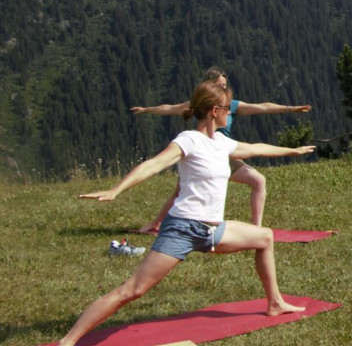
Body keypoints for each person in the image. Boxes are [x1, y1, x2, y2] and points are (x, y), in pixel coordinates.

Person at [46, 80, 316, 346]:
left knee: (264, 237)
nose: (230, 115)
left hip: (212, 230)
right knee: (132, 290)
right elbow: (154, 164)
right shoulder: (188, 140)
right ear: (214, 111)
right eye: (227, 109)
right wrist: (117, 189)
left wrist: (292, 151)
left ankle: (274, 302)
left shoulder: (221, 142)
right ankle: (64, 345)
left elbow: (255, 148)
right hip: (183, 229)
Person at [131, 66, 311, 232]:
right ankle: (155, 224)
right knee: (179, 191)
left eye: (225, 85)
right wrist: (146, 110)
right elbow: (170, 108)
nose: (223, 89)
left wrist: (291, 108)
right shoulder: (199, 103)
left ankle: (257, 228)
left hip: (225, 153)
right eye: (219, 85)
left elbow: (263, 107)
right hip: (203, 155)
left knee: (258, 181)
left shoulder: (231, 105)